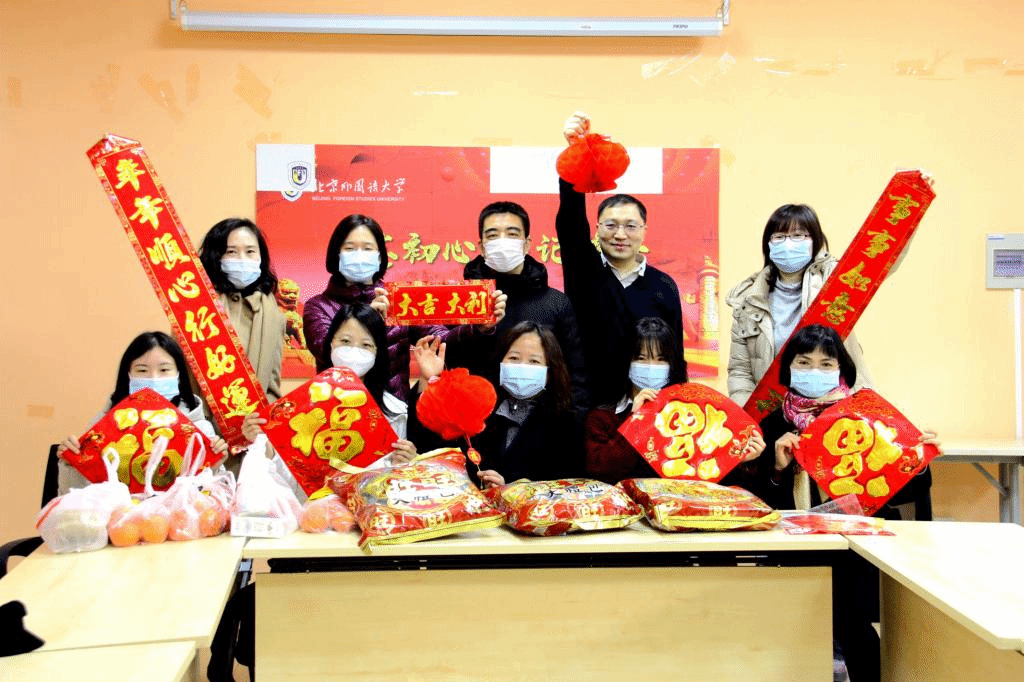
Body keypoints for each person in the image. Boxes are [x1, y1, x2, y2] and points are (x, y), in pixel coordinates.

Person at [557, 112, 686, 407]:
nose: (620, 234)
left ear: (644, 231)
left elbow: (675, 352)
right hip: (589, 406)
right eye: (611, 225)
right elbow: (570, 224)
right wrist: (576, 154)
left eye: (630, 226)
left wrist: (677, 406)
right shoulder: (584, 270)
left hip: (650, 405)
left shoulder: (663, 286)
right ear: (597, 228)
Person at [584, 317, 765, 485]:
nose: (651, 367)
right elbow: (600, 472)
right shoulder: (602, 417)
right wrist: (635, 422)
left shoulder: (691, 414)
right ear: (627, 361)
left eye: (661, 359)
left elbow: (706, 476)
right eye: (641, 358)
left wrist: (739, 461)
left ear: (672, 364)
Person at [726, 203, 871, 406]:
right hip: (775, 413)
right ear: (768, 244)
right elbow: (740, 371)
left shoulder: (834, 279)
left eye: (798, 235)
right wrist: (747, 417)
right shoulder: (748, 300)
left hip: (838, 407)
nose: (788, 243)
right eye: (779, 237)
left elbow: (880, 259)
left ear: (815, 240)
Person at [454, 201, 589, 416]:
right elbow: (450, 364)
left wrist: (573, 422)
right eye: (493, 235)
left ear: (526, 244)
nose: (502, 241)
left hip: (543, 422)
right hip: (476, 419)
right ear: (482, 246)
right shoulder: (459, 301)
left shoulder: (556, 303)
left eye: (512, 234)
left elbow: (576, 374)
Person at [410, 321, 583, 488]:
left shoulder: (565, 423)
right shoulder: (476, 405)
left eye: (534, 362)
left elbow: (566, 487)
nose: (522, 367)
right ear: (501, 361)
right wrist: (430, 379)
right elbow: (433, 447)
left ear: (550, 371)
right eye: (514, 358)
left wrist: (510, 490)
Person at [55, 331, 228, 495]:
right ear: (128, 375)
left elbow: (216, 498)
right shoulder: (103, 425)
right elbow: (75, 496)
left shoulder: (200, 429)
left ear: (179, 375)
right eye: (142, 370)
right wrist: (70, 464)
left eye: (164, 370)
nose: (154, 378)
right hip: (117, 515)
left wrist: (214, 467)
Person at [198, 217, 286, 400]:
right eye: (231, 252)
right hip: (202, 414)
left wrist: (261, 415)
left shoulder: (273, 314)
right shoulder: (196, 305)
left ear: (261, 257)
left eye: (250, 251)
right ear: (215, 256)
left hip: (255, 415)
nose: (242, 259)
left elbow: (272, 385)